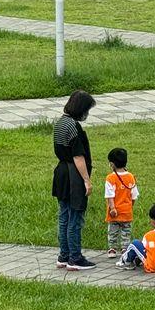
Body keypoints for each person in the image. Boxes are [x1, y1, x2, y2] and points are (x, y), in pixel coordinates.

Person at [52, 90, 97, 271]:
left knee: (63, 216)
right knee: (75, 217)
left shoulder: (60, 123)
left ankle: (63, 256)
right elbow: (78, 157)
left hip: (61, 173)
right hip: (73, 176)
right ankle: (75, 258)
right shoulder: (73, 127)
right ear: (81, 109)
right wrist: (86, 180)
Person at [115, 203, 155, 273]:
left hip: (152, 266)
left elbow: (145, 250)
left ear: (153, 220)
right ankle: (137, 259)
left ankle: (125, 262)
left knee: (135, 244)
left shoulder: (148, 235)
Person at [104, 147, 139, 258]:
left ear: (112, 164)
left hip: (115, 211)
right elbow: (134, 195)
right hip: (127, 211)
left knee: (113, 231)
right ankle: (125, 248)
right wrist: (130, 206)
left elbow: (110, 196)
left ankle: (112, 249)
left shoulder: (110, 178)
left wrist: (113, 208)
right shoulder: (131, 177)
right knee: (126, 231)